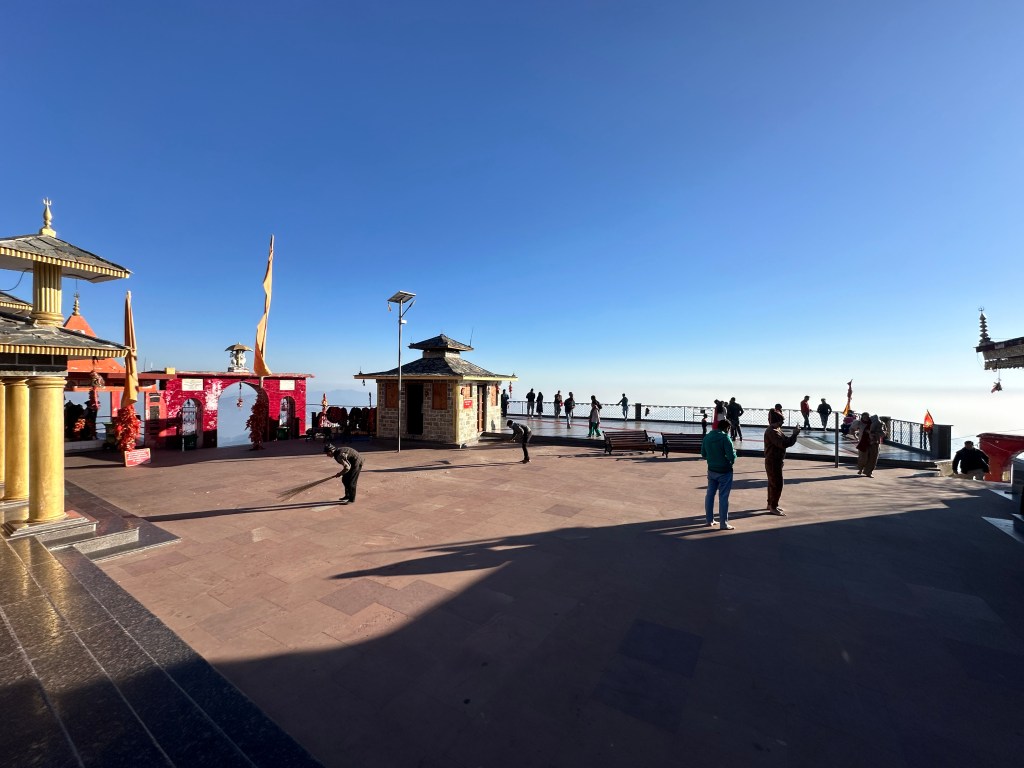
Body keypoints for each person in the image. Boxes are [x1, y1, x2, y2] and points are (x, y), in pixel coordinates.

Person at [701, 418, 737, 530]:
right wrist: (734, 454)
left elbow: (703, 454)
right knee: (723, 497)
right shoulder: (725, 438)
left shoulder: (707, 437)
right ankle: (723, 524)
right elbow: (731, 457)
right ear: (727, 428)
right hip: (724, 471)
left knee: (710, 495)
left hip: (711, 470)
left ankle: (709, 520)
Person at [764, 412, 800, 515]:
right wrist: (795, 434)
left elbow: (786, 440)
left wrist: (794, 435)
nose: (783, 423)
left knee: (772, 483)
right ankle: (773, 506)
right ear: (776, 421)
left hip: (776, 460)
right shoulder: (772, 431)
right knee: (777, 484)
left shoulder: (777, 430)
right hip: (773, 461)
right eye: (781, 421)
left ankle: (771, 504)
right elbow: (784, 443)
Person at [856, 413, 887, 477]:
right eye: (864, 417)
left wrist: (874, 433)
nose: (865, 419)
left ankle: (868, 472)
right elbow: (854, 429)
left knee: (873, 458)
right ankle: (860, 468)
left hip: (874, 443)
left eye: (867, 417)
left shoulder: (878, 424)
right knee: (863, 457)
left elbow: (883, 433)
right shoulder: (860, 423)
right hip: (864, 442)